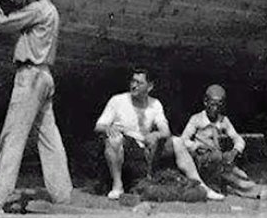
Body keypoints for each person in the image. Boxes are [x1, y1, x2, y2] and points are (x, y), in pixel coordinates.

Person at [0, 0, 73, 206]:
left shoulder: (37, 9)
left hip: (30, 77)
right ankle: (62, 194)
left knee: (12, 135)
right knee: (49, 138)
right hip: (45, 76)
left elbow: (1, 23)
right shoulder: (51, 9)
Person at [94, 68, 224, 201]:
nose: (134, 86)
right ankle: (117, 186)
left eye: (139, 83)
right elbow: (99, 126)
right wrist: (109, 128)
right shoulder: (117, 100)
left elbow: (165, 130)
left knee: (177, 141)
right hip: (126, 150)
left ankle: (203, 187)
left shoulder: (155, 104)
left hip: (146, 152)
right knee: (114, 139)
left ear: (149, 87)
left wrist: (156, 134)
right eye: (133, 81)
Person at [181, 84, 267, 199]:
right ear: (205, 102)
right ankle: (257, 191)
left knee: (234, 170)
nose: (215, 109)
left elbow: (238, 139)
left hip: (217, 159)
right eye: (212, 104)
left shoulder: (223, 120)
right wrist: (197, 146)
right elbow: (183, 140)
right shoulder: (196, 119)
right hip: (201, 160)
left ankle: (263, 190)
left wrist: (234, 152)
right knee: (226, 169)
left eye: (219, 105)